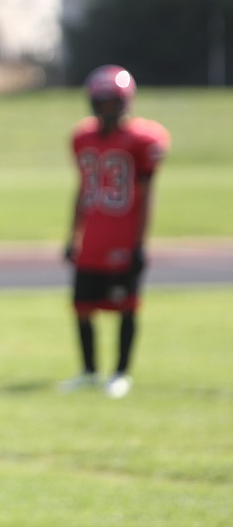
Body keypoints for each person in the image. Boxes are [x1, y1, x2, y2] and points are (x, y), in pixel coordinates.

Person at [62, 65, 170, 399]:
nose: (105, 108)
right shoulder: (82, 138)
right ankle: (89, 371)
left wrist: (140, 243)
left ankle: (121, 373)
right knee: (81, 305)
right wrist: (72, 235)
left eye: (111, 102)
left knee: (127, 305)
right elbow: (82, 189)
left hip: (123, 235)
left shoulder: (144, 140)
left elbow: (148, 194)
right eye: (101, 102)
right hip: (93, 235)